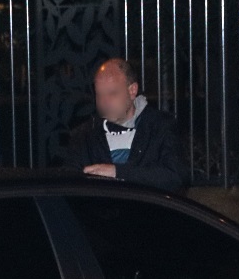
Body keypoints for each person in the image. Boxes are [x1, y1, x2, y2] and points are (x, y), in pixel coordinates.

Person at [69, 57, 189, 192]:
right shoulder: (85, 135)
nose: (104, 102)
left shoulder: (160, 127)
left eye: (112, 93)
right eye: (99, 94)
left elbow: (176, 177)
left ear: (132, 90)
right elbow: (71, 184)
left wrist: (118, 173)